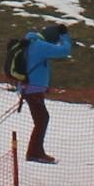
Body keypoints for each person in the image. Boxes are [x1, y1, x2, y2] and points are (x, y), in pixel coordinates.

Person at [20, 24, 75, 162]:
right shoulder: (40, 46)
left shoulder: (30, 42)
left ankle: (35, 152)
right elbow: (64, 50)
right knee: (42, 119)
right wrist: (64, 36)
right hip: (32, 89)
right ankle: (34, 153)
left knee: (41, 118)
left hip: (29, 88)